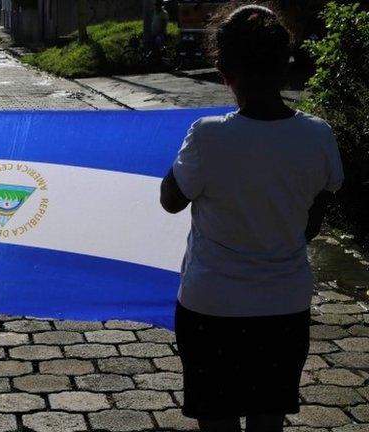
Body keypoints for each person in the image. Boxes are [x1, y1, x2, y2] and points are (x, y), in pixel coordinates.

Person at [160, 6, 343, 432]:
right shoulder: (318, 135)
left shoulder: (207, 135)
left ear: (224, 70)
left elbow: (171, 200)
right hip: (285, 305)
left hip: (212, 308)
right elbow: (311, 224)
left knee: (217, 420)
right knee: (268, 419)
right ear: (285, 64)